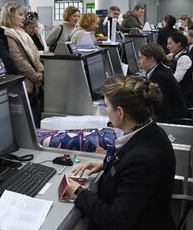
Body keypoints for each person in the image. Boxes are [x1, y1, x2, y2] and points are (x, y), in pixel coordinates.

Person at [63, 75, 176, 230]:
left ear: (121, 112)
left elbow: (116, 221)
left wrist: (79, 192)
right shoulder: (151, 131)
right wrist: (105, 165)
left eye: (107, 106)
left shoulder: (142, 160)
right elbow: (129, 167)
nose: (106, 111)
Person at [0, 2, 44, 124]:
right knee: (24, 121)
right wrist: (36, 76)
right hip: (24, 82)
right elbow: (18, 60)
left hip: (34, 81)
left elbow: (35, 54)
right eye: (20, 14)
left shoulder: (23, 33)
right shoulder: (7, 34)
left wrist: (40, 71)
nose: (23, 17)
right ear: (10, 16)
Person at [138, 43, 190, 123]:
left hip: (171, 120)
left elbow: (147, 101)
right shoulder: (161, 70)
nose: (139, 62)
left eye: (141, 58)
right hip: (171, 115)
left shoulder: (159, 77)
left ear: (151, 58)